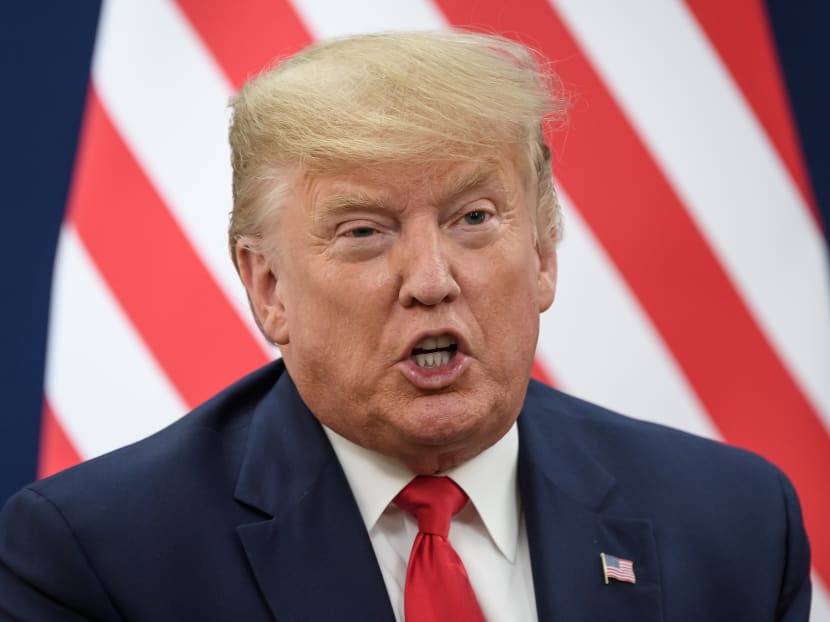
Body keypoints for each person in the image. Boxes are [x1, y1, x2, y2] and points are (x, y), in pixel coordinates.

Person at [0, 30, 810, 621]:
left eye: (474, 217)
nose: (430, 281)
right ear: (269, 286)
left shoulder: (734, 525)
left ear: (545, 253)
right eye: (364, 231)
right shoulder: (98, 560)